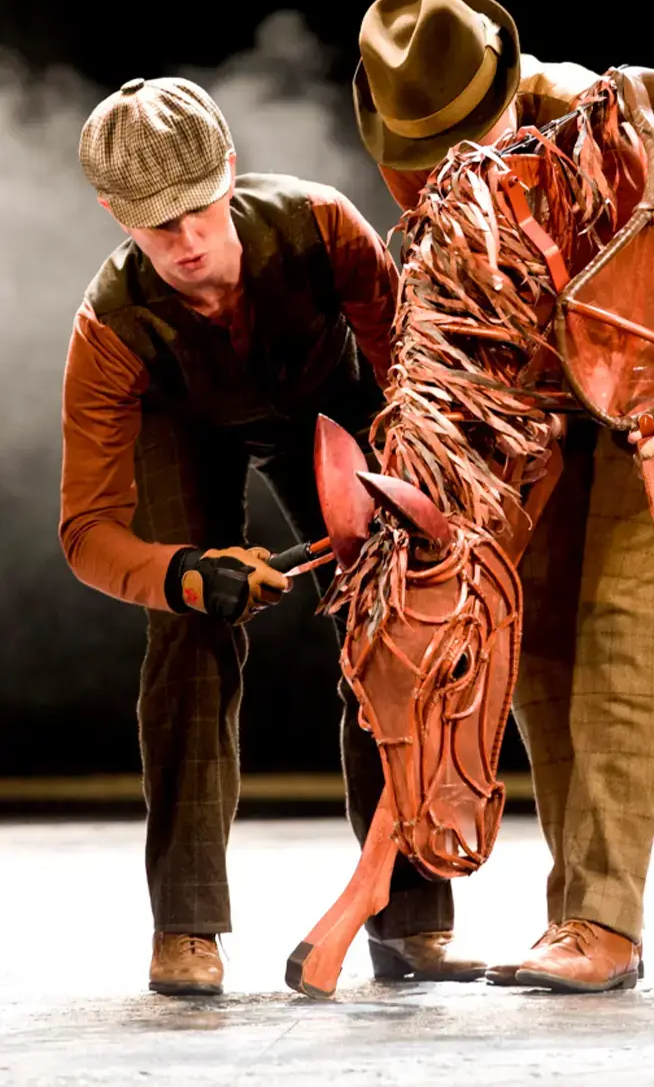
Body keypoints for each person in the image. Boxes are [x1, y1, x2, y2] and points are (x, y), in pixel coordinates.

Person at [351, 0, 654, 992]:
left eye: (470, 136)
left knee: (621, 608)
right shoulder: (414, 160)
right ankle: (575, 916)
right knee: (532, 623)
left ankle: (606, 919)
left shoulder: (600, 120)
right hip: (535, 387)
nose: (454, 163)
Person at [60, 76, 484, 994]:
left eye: (199, 210)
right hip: (183, 426)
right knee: (188, 635)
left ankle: (409, 920)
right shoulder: (110, 330)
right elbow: (86, 533)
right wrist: (185, 574)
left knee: (391, 626)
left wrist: (415, 488)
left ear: (230, 170)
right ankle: (185, 927)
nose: (186, 242)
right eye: (155, 225)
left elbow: (414, 376)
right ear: (114, 214)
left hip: (333, 405)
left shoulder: (322, 227)